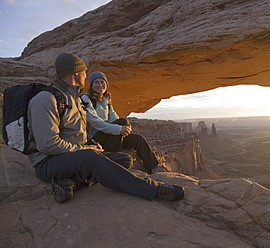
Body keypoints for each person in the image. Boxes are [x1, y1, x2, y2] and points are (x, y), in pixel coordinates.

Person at [27, 52, 184, 203]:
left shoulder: (74, 99)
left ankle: (73, 183)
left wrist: (90, 144)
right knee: (91, 157)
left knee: (123, 159)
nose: (85, 76)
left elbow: (80, 132)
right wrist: (85, 150)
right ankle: (152, 189)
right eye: (84, 72)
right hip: (49, 163)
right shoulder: (46, 99)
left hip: (74, 157)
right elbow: (47, 144)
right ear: (75, 73)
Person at [81, 71, 165, 174]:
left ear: (106, 84)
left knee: (138, 139)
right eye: (96, 82)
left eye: (102, 82)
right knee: (122, 122)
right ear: (91, 85)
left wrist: (125, 128)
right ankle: (113, 155)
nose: (100, 85)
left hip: (109, 136)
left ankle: (154, 167)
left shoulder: (106, 99)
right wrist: (119, 129)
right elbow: (95, 122)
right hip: (95, 138)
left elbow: (113, 118)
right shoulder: (86, 99)